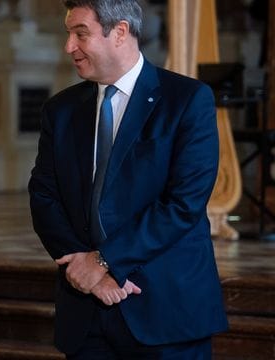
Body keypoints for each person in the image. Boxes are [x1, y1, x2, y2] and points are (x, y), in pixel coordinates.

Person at [28, 0, 228, 358]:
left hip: (165, 312)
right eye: (69, 34)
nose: (69, 47)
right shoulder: (60, 109)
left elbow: (183, 204)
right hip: (85, 314)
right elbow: (44, 195)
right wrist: (84, 269)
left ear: (119, 32)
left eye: (80, 34)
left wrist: (104, 262)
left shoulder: (187, 100)